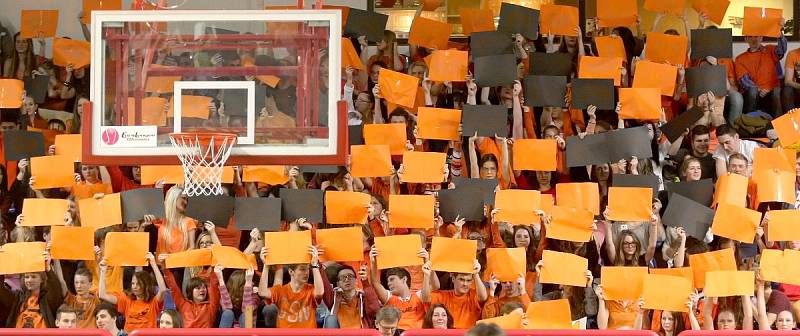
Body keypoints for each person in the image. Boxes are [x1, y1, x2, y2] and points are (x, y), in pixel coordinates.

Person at [258, 244, 324, 328]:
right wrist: (266, 266)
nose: (307, 272)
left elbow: (320, 293)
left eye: (308, 269)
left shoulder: (310, 289)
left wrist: (314, 265)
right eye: (302, 269)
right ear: (291, 272)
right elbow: (262, 292)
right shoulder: (280, 290)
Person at [98, 253, 166, 332]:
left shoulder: (154, 302)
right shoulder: (126, 299)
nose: (134, 286)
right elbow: (102, 295)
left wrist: (153, 264)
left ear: (146, 285)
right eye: (133, 283)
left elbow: (163, 289)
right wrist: (103, 272)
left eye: (138, 284)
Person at [735, 20, 787, 117]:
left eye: (756, 36)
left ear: (761, 37)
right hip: (753, 93)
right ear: (745, 39)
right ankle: (750, 123)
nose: (753, 39)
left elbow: (782, 50)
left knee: (777, 91)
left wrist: (779, 33)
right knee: (752, 90)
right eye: (750, 36)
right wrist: (759, 89)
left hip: (771, 91)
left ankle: (776, 125)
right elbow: (744, 81)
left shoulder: (770, 49)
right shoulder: (740, 59)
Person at [421, 259, 488, 329]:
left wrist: (476, 274)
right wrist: (426, 275)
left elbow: (483, 297)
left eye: (468, 280)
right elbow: (425, 298)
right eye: (461, 279)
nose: (465, 284)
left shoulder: (473, 295)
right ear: (453, 279)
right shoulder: (444, 296)